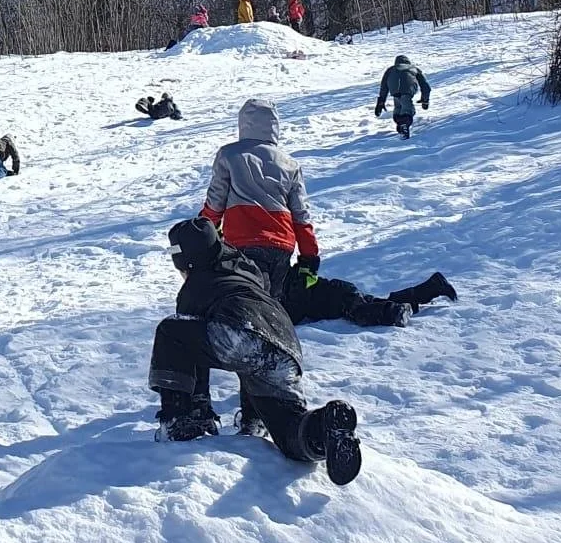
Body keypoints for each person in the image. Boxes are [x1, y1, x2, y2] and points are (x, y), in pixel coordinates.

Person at [148, 218, 361, 485]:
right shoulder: (244, 268)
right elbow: (250, 351)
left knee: (173, 332)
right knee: (287, 428)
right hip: (285, 345)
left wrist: (197, 404)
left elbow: (190, 348)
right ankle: (323, 431)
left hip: (244, 335)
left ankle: (182, 420)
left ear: (187, 261)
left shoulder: (197, 285)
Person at [200, 98, 319, 302]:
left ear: (243, 124)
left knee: (250, 299)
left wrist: (205, 227)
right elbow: (301, 214)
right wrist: (309, 255)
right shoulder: (289, 163)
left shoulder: (229, 154)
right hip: (282, 243)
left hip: (243, 238)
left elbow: (216, 200)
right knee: (273, 300)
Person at [285, 261, 456, 329]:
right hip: (341, 291)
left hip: (339, 299)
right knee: (374, 301)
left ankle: (395, 311)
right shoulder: (291, 278)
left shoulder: (291, 288)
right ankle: (430, 287)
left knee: (363, 312)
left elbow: (294, 313)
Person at [377, 55, 432, 139]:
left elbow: (384, 86)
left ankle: (400, 124)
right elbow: (425, 86)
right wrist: (425, 100)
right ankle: (404, 125)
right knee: (407, 107)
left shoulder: (390, 69)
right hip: (408, 90)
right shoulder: (414, 68)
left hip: (394, 90)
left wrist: (381, 101)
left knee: (398, 106)